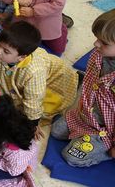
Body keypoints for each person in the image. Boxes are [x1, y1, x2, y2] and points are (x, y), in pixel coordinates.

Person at [0, 21, 78, 137]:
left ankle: (77, 79)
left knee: (42, 111)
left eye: (6, 51)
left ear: (22, 57)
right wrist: (0, 101)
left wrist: (32, 124)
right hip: (36, 79)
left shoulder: (34, 71)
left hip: (56, 82)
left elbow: (35, 99)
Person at [51, 9, 115, 167]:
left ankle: (102, 149)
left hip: (106, 130)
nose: (95, 44)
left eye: (104, 42)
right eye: (97, 38)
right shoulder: (98, 54)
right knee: (56, 131)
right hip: (86, 115)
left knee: (71, 157)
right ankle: (82, 135)